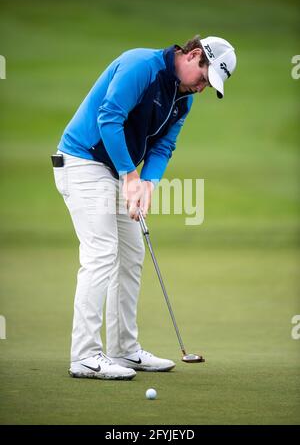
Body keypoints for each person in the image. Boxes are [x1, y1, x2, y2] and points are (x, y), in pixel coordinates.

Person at [52, 34, 237, 380]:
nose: (202, 88)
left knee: (132, 252)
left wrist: (147, 184)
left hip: (118, 171)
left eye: (209, 86)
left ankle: (123, 350)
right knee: (102, 253)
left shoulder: (183, 99)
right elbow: (109, 117)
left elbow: (164, 146)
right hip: (82, 161)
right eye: (203, 77)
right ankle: (85, 355)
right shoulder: (142, 65)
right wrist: (130, 175)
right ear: (194, 55)